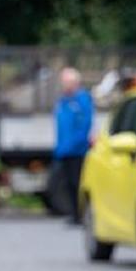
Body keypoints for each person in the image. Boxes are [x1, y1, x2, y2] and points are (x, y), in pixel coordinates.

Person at [53, 67, 94, 224]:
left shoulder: (82, 100)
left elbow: (84, 125)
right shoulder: (63, 101)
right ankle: (74, 214)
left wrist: (74, 144)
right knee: (68, 183)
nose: (65, 85)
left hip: (77, 150)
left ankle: (80, 214)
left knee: (77, 182)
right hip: (64, 150)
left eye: (67, 82)